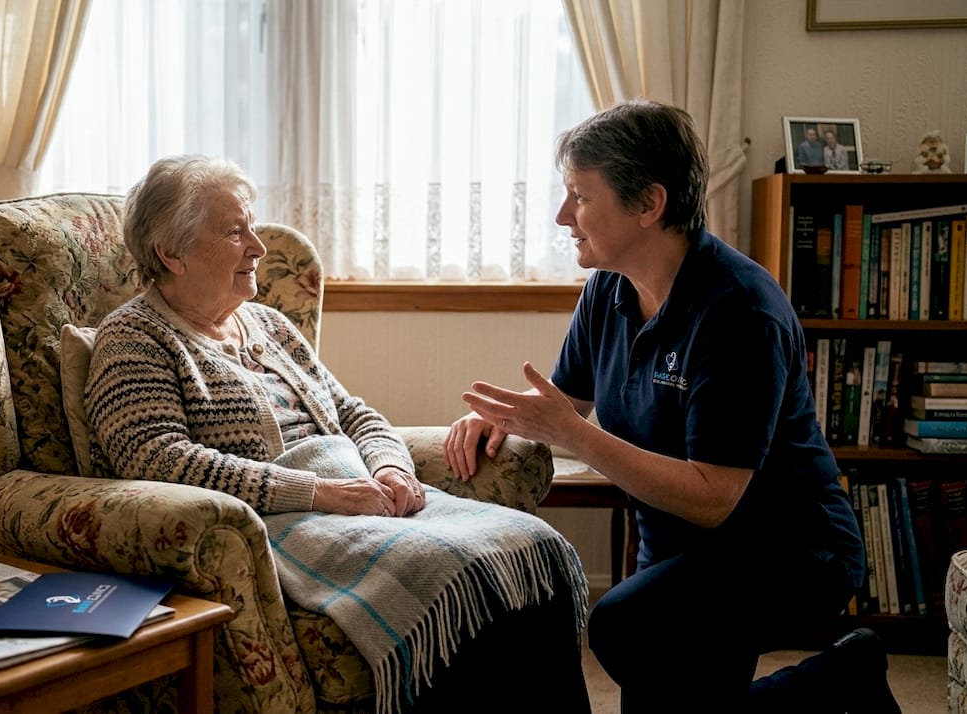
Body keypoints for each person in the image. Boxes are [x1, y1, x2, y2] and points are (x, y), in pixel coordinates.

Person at [85, 154, 591, 713]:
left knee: (533, 550)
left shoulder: (271, 325)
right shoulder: (134, 337)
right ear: (170, 253)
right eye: (235, 232)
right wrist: (321, 492)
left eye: (252, 226)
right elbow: (155, 458)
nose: (258, 246)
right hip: (280, 520)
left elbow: (352, 412)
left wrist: (389, 466)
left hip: (356, 495)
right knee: (450, 577)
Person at [443, 100, 900, 714]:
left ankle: (840, 675)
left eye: (579, 196)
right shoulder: (609, 289)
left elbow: (714, 496)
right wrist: (500, 415)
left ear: (649, 205)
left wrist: (573, 433)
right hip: (679, 551)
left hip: (787, 552)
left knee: (621, 627)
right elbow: (566, 400)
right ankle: (851, 676)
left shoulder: (739, 311)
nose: (562, 216)